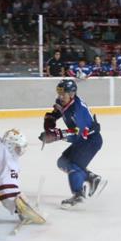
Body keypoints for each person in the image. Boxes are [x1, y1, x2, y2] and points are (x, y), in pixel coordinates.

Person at [39, 80, 106, 209]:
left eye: (63, 94)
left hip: (90, 140)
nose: (60, 97)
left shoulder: (78, 110)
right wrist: (49, 124)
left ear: (72, 93)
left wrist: (56, 135)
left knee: (73, 165)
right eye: (59, 93)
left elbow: (79, 134)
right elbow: (55, 114)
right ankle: (92, 178)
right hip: (84, 139)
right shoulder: (63, 102)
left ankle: (78, 194)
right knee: (62, 162)